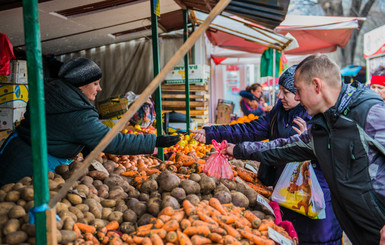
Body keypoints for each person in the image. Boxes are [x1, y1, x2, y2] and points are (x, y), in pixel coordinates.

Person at [224, 54, 385, 245]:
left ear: (317, 86)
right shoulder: (323, 126)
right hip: (360, 230)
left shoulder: (371, 113)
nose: (297, 97)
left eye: (299, 90)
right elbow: (283, 147)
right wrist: (238, 150)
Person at [192, 65, 342, 244]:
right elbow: (250, 129)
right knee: (288, 235)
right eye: (280, 90)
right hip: (284, 195)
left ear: (300, 93)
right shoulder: (279, 111)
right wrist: (213, 133)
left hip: (316, 203)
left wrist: (304, 140)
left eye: (285, 92)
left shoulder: (321, 116)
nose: (279, 96)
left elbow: (322, 156)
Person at [0, 57, 180, 185]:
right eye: (95, 83)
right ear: (80, 85)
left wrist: (84, 145)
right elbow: (112, 141)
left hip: (13, 150)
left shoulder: (51, 91)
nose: (100, 88)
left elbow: (57, 128)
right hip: (30, 168)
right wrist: (154, 141)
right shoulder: (78, 113)